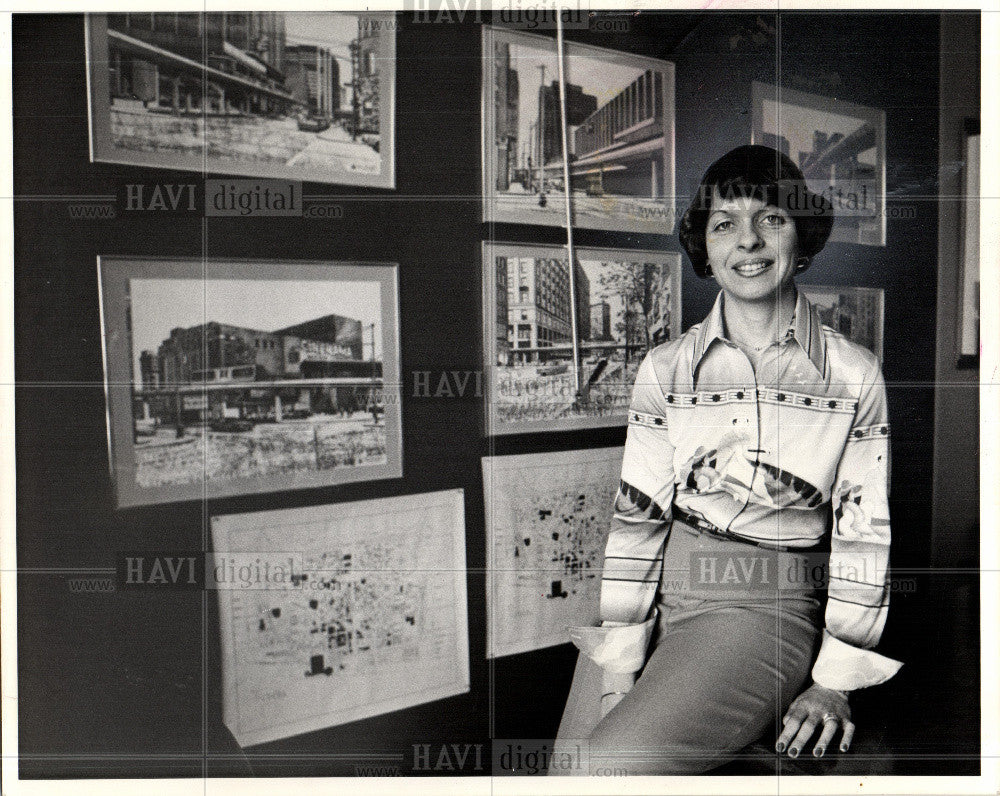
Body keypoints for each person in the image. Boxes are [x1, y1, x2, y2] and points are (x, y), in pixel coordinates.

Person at [551, 145, 902, 776]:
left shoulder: (853, 374)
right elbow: (638, 519)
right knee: (565, 773)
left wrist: (836, 681)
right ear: (705, 249)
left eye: (771, 218)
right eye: (724, 225)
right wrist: (620, 662)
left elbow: (864, 533)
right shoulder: (664, 369)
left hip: (761, 607)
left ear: (802, 233)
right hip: (659, 589)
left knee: (607, 769)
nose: (749, 242)